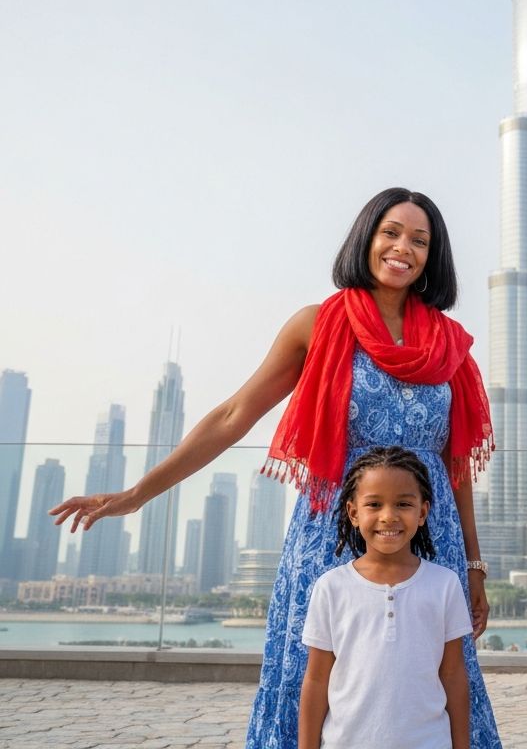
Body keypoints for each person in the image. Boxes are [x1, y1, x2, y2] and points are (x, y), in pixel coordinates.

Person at [51, 187, 503, 749]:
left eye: (419, 239)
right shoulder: (317, 325)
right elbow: (234, 415)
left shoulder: (449, 346)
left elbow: (455, 465)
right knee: (309, 674)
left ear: (433, 256)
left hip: (431, 538)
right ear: (366, 237)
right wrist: (139, 493)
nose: (402, 248)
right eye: (390, 232)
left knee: (437, 672)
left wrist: (476, 563)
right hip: (332, 534)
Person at [299, 446, 471, 749]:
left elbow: (453, 673)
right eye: (374, 504)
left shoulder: (445, 585)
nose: (388, 517)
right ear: (353, 513)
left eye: (403, 504)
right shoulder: (331, 587)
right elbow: (316, 680)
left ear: (423, 513)